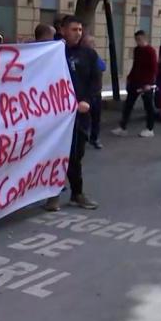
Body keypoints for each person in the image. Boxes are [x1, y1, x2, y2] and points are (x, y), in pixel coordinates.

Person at [44, 16, 99, 212]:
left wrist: (87, 101)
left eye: (80, 29)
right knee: (55, 155)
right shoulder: (52, 52)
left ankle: (77, 194)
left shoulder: (89, 55)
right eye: (74, 29)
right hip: (56, 116)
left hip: (80, 115)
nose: (78, 33)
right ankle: (53, 194)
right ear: (63, 30)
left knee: (75, 155)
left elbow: (95, 83)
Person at [111, 30, 158, 138]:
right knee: (128, 105)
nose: (138, 42)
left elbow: (154, 68)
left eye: (139, 39)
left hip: (146, 83)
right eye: (136, 40)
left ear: (145, 39)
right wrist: (129, 78)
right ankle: (122, 127)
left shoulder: (150, 51)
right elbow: (135, 65)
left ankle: (150, 129)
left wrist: (149, 84)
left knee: (148, 106)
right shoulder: (137, 50)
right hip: (135, 82)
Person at [81, 34, 106, 149]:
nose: (93, 45)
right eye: (91, 43)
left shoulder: (94, 55)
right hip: (84, 93)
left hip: (96, 92)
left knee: (96, 117)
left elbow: (102, 66)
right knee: (84, 117)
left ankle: (94, 138)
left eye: (93, 43)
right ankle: (83, 137)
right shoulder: (80, 55)